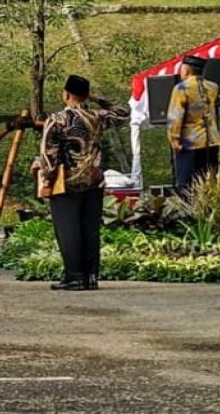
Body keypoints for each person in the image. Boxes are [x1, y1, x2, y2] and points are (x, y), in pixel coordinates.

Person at [33, 74, 130, 291]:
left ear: (66, 94)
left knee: (68, 229)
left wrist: (46, 179)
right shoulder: (97, 116)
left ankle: (74, 276)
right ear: (85, 95)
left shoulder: (57, 120)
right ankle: (91, 276)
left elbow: (49, 153)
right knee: (90, 228)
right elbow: (124, 113)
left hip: (66, 180)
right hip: (93, 179)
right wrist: (95, 99)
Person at [167, 54, 220, 200]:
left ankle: (188, 214)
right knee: (208, 181)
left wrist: (174, 140)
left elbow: (175, 116)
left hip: (189, 142)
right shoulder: (213, 87)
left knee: (186, 183)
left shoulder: (182, 88)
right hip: (212, 141)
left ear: (186, 70)